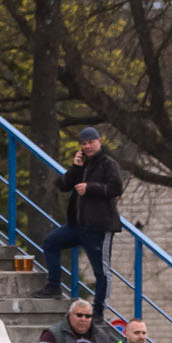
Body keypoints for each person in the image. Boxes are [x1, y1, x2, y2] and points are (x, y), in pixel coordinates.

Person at [35, 125, 122, 319]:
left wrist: (90, 188)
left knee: (101, 271)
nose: (87, 146)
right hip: (77, 226)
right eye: (83, 143)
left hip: (99, 227)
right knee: (51, 242)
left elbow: (116, 188)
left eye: (91, 142)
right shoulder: (83, 165)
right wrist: (76, 167)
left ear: (99, 141)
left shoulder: (108, 164)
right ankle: (54, 285)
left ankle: (98, 311)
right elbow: (63, 185)